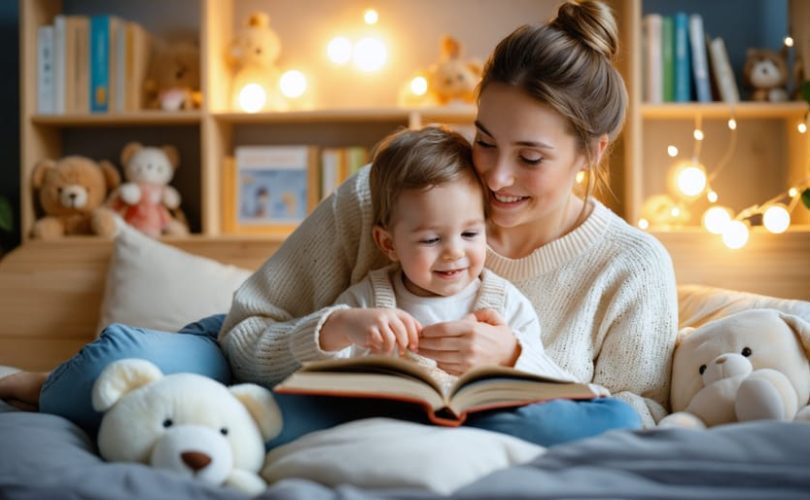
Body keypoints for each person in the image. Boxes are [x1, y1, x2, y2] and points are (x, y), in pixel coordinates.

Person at [1, 0, 676, 445]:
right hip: (298, 374)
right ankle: (35, 385)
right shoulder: (390, 192)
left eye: (530, 157)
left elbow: (638, 419)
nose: (495, 176)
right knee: (114, 366)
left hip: (443, 421)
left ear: (593, 153)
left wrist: (517, 362)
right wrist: (331, 330)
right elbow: (245, 333)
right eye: (485, 139)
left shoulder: (631, 264)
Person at [325, 125, 573, 385]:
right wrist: (341, 326)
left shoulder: (506, 305)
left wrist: (511, 356)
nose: (454, 252)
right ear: (388, 244)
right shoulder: (367, 302)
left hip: (484, 423)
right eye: (431, 239)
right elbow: (319, 375)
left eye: (470, 234)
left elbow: (542, 388)